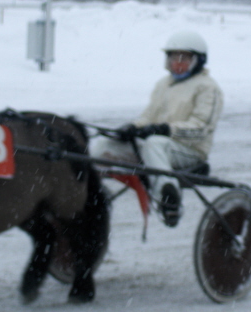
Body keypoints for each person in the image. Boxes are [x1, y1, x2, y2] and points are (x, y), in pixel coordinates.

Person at [90, 30, 223, 227]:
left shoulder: (208, 88)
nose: (177, 63)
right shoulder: (163, 84)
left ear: (198, 61)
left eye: (184, 58)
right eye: (173, 57)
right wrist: (131, 129)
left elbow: (201, 129)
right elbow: (147, 118)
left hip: (190, 152)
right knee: (101, 145)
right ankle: (86, 193)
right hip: (156, 148)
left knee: (154, 143)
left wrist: (163, 130)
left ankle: (169, 199)